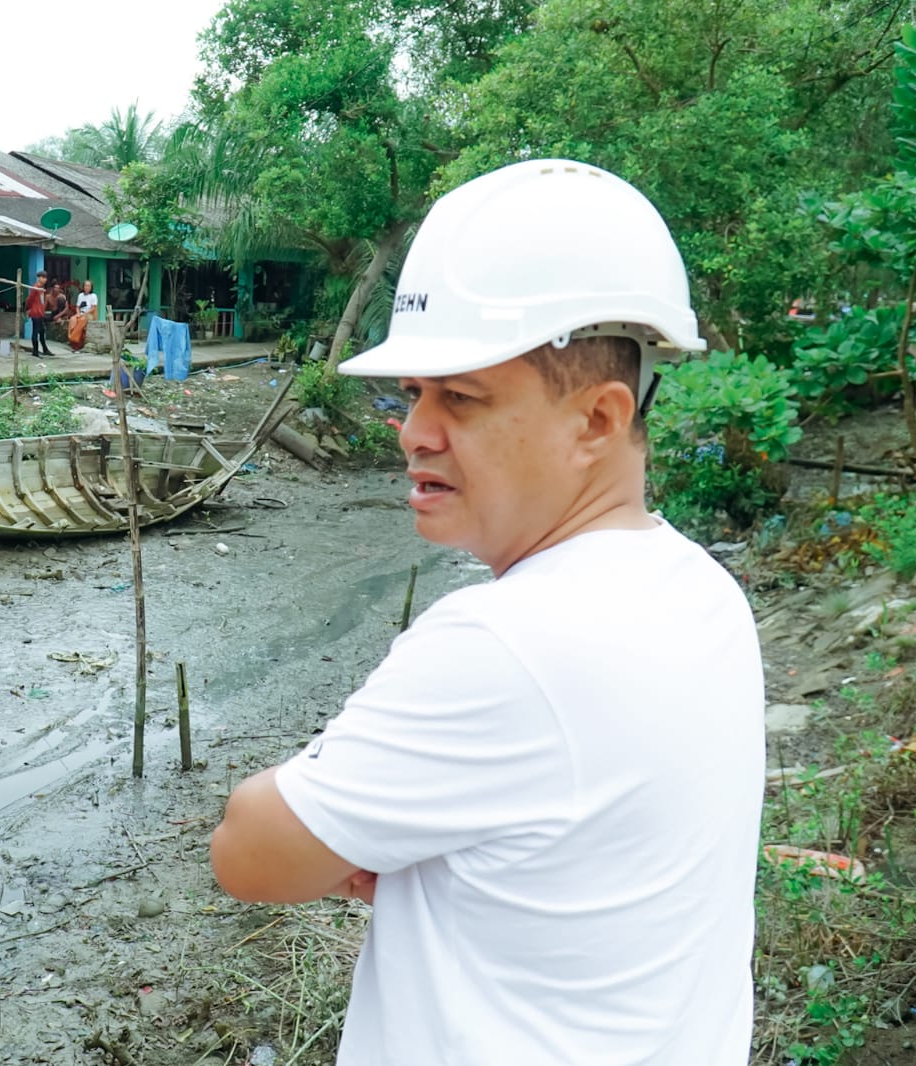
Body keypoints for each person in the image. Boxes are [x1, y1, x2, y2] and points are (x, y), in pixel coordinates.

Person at [209, 159, 764, 1065]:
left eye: (460, 397)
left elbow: (248, 850)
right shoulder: (699, 591)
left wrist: (352, 822)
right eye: (413, 393)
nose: (413, 431)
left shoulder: (505, 644)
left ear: (596, 419)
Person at [25, 271, 52, 357]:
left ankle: (45, 349)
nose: (45, 279)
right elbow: (29, 299)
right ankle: (35, 351)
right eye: (43, 277)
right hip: (36, 313)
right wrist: (28, 308)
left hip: (40, 312)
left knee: (42, 331)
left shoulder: (41, 288)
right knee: (35, 332)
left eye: (45, 278)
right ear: (39, 278)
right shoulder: (36, 288)